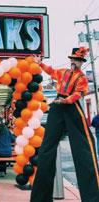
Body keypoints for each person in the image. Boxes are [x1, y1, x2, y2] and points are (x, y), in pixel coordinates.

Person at [30, 47, 99, 202]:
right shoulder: (63, 72)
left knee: (85, 147)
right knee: (47, 148)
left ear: (81, 63)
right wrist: (40, 64)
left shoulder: (82, 78)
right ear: (71, 60)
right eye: (74, 59)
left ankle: (92, 197)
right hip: (57, 106)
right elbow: (51, 71)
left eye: (79, 60)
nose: (76, 62)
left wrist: (65, 101)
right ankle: (40, 198)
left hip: (72, 108)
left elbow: (78, 94)